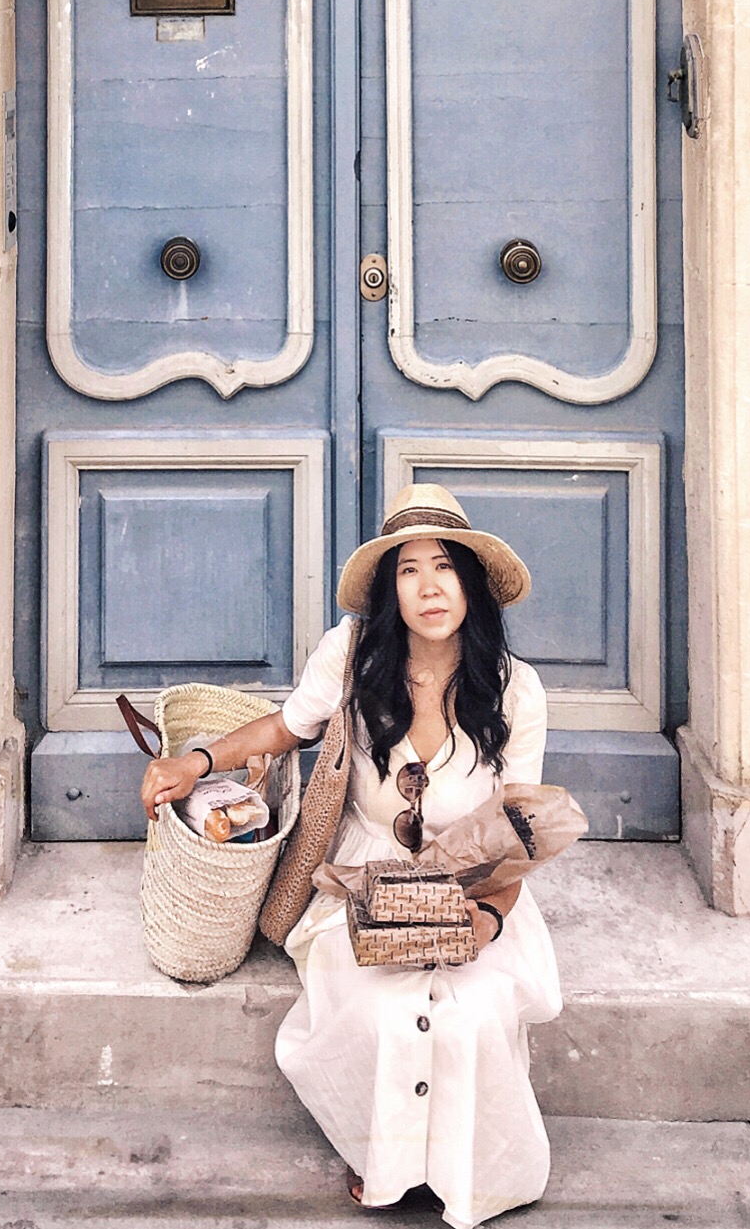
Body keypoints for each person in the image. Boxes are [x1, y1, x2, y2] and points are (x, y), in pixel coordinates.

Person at [141, 484, 562, 1227]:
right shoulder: (353, 653)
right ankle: (390, 1157)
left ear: (472, 582)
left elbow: (518, 830)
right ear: (388, 589)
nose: (428, 586)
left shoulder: (515, 688)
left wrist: (486, 921)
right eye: (407, 570)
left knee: (471, 1009)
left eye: (444, 566)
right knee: (382, 1009)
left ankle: (468, 1174)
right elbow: (285, 728)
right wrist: (197, 759)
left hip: (477, 884)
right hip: (362, 879)